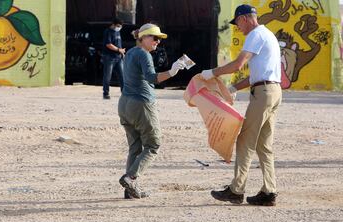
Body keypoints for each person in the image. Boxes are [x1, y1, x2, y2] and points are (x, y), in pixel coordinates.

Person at [201, 4, 282, 206]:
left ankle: (236, 190)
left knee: (245, 140)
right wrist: (234, 88)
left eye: (237, 22)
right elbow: (257, 75)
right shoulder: (267, 34)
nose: (237, 27)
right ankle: (269, 191)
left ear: (245, 18)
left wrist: (213, 73)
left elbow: (238, 64)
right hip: (272, 91)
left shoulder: (255, 35)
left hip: (263, 94)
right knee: (264, 145)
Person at [118, 23, 186, 199]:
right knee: (153, 145)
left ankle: (130, 191)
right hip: (141, 104)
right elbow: (152, 78)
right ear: (144, 38)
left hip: (124, 104)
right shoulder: (143, 54)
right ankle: (131, 178)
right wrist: (172, 71)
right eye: (154, 38)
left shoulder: (130, 52)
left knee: (135, 147)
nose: (157, 42)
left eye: (159, 39)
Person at [102, 18, 125, 99]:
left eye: (120, 26)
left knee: (122, 75)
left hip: (118, 57)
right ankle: (106, 93)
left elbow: (118, 44)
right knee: (107, 76)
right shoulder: (108, 32)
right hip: (109, 57)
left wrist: (121, 52)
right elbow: (108, 44)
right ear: (113, 24)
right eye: (118, 26)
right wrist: (119, 50)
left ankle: (125, 93)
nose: (119, 28)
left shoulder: (118, 32)